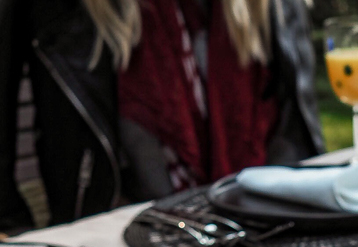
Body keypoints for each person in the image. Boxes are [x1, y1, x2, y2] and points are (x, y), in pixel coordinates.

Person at [0, 0, 324, 230]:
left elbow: (297, 135)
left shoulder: (270, 7)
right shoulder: (61, 9)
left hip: (260, 225)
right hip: (116, 239)